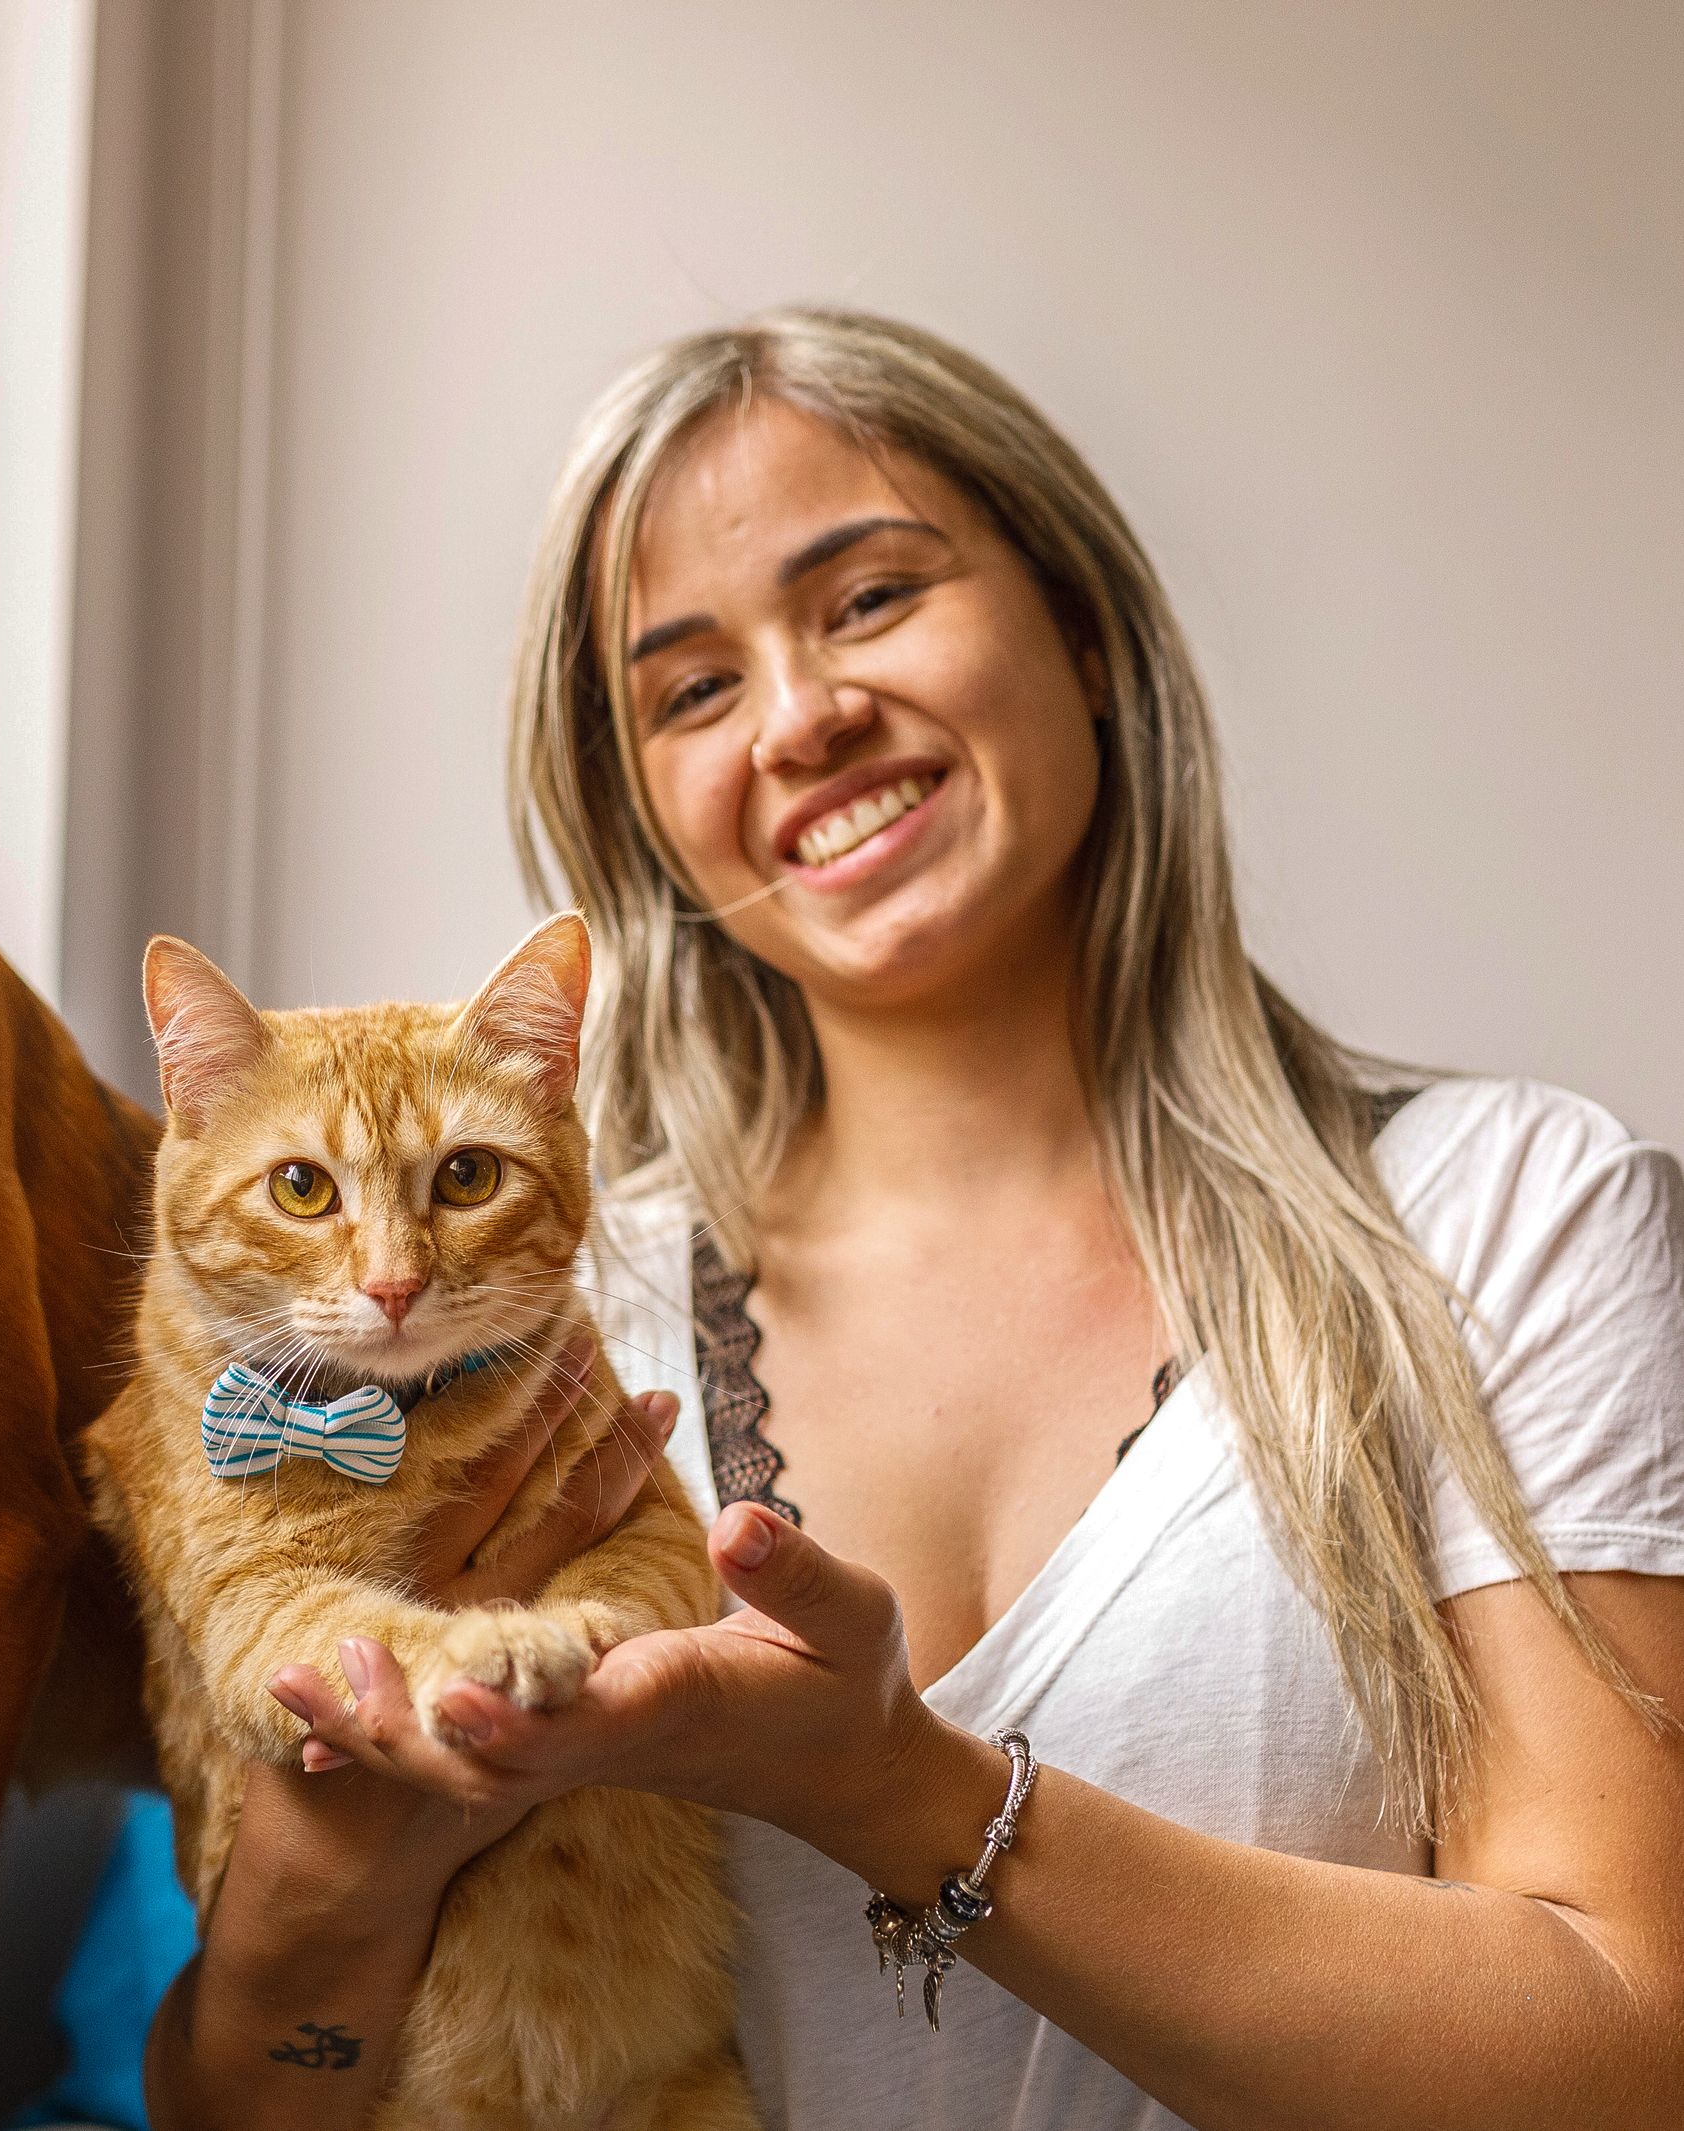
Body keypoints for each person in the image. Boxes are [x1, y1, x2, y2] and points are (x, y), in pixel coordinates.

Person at [143, 310, 1684, 2130]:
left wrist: (896, 1785)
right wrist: (342, 1865)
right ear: (646, 811)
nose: (801, 717)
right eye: (692, 690)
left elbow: (1627, 2053)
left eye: (869, 598)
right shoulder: (513, 1305)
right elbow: (246, 2103)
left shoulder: (1509, 1213)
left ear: (1086, 631)